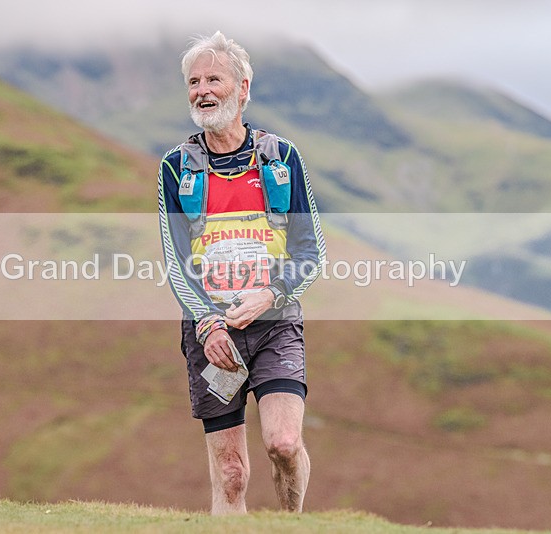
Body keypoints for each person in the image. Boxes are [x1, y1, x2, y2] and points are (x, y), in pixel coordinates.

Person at [157, 31, 326, 514]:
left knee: (285, 443)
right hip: (212, 334)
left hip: (274, 325)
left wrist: (270, 294)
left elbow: (310, 250)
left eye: (214, 78)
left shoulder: (281, 158)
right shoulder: (176, 168)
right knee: (232, 476)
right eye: (193, 81)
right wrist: (208, 323)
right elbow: (175, 261)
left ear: (243, 87)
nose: (202, 90)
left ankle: (291, 522)